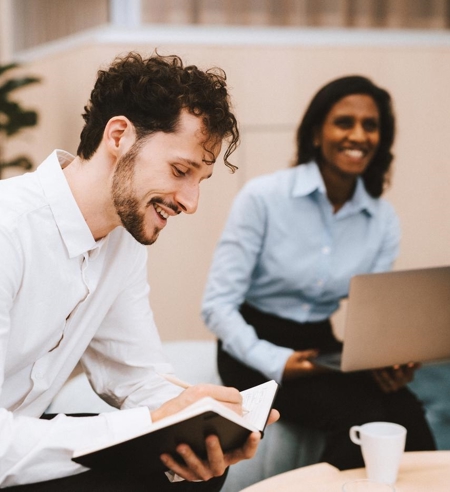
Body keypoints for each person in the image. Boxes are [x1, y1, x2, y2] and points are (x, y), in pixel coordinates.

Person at [0, 52, 278, 491]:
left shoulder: (122, 244)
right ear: (119, 136)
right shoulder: (8, 229)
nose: (190, 202)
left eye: (199, 181)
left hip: (23, 436)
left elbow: (136, 373)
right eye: (180, 170)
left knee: (188, 467)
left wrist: (199, 420)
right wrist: (151, 422)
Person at [201, 75, 436, 471]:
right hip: (253, 344)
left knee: (408, 414)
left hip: (320, 345)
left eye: (371, 125)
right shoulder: (263, 198)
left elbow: (375, 319)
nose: (359, 135)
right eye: (344, 122)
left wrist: (388, 361)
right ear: (315, 134)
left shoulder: (382, 219)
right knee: (357, 417)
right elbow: (217, 306)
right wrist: (276, 360)